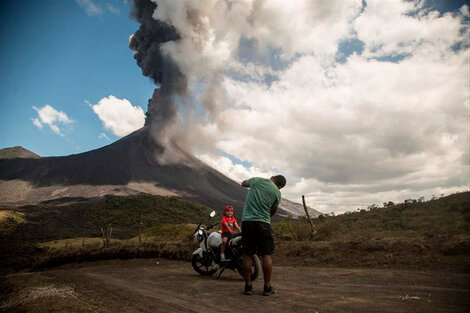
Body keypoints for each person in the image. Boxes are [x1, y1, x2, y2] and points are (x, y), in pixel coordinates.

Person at [241, 175, 286, 296]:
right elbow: (273, 210)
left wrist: (250, 184)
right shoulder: (277, 193)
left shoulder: (257, 180)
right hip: (264, 223)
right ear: (280, 186)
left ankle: (248, 287)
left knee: (248, 254)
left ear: (272, 177)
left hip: (247, 222)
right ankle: (267, 287)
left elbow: (243, 183)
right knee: (266, 254)